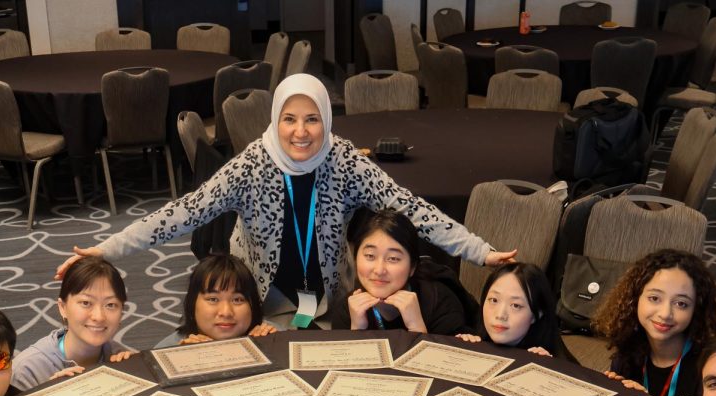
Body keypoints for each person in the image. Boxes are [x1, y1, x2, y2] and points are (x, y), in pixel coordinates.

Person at [55, 74, 515, 328]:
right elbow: (182, 213)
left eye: (312, 119)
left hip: (328, 291)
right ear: (275, 120)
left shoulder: (344, 160)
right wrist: (106, 249)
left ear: (326, 119)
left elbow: (410, 208)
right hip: (263, 294)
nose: (300, 132)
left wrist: (479, 250)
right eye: (289, 119)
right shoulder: (252, 164)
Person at [592, 249, 716, 396]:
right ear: (635, 299)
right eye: (654, 298)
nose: (665, 313)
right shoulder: (627, 353)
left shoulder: (709, 368)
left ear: (696, 310)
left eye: (681, 304)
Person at [331, 208, 471, 335]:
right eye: (370, 256)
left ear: (412, 267)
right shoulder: (348, 308)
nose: (379, 270)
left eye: (393, 258)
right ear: (355, 260)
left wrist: (417, 328)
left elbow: (452, 361)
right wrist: (357, 330)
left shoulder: (439, 302)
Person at [11, 256, 135, 390]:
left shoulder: (121, 357)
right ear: (63, 307)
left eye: (110, 305)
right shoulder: (27, 371)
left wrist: (140, 371)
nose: (99, 317)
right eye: (86, 303)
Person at [456, 262, 571, 358]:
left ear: (537, 314)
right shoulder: (474, 339)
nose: (500, 315)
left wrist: (551, 370)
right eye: (494, 300)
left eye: (516, 305)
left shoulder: (547, 357)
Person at [160, 253, 277, 346]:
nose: (226, 313)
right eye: (213, 299)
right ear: (192, 303)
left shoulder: (273, 335)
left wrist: (277, 346)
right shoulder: (169, 348)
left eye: (237, 300)